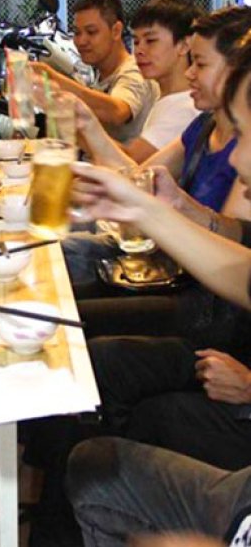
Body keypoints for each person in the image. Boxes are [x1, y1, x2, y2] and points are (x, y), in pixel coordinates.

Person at [64, 34, 251, 544]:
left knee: (101, 453)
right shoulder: (200, 128)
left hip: (216, 338)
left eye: (247, 133)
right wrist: (142, 207)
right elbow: (241, 268)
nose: (237, 160)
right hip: (204, 315)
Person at [64, 5, 251, 310]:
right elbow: (139, 175)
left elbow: (232, 256)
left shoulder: (238, 154)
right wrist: (87, 124)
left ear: (237, 73)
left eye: (200, 63)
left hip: (193, 293)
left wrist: (156, 210)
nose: (189, 73)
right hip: (168, 267)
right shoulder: (204, 124)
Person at [31, 0, 159, 143]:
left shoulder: (134, 72)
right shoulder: (100, 75)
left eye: (91, 32)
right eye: (77, 32)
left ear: (116, 31)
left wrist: (51, 78)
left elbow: (117, 112)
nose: (81, 41)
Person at [119, 0, 203, 162]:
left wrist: (81, 126)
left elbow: (130, 163)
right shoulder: (166, 96)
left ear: (184, 45)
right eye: (136, 42)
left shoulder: (185, 107)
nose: (139, 50)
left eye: (150, 41)